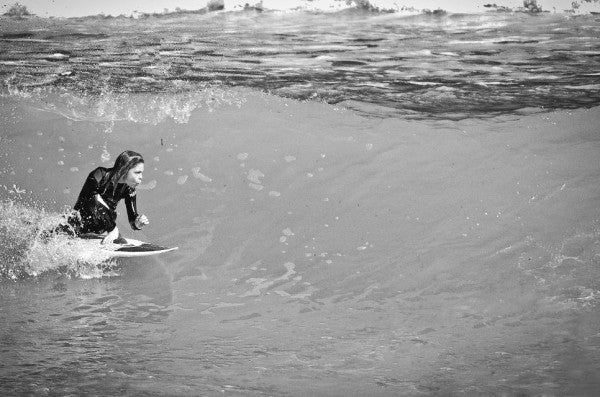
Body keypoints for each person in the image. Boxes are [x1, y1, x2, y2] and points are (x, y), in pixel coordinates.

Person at [70, 150, 149, 244]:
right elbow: (91, 199)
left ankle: (109, 232)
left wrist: (137, 223)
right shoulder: (100, 175)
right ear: (124, 170)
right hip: (76, 226)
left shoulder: (129, 189)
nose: (141, 177)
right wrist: (113, 229)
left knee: (121, 241)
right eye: (137, 172)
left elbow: (132, 220)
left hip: (100, 229)